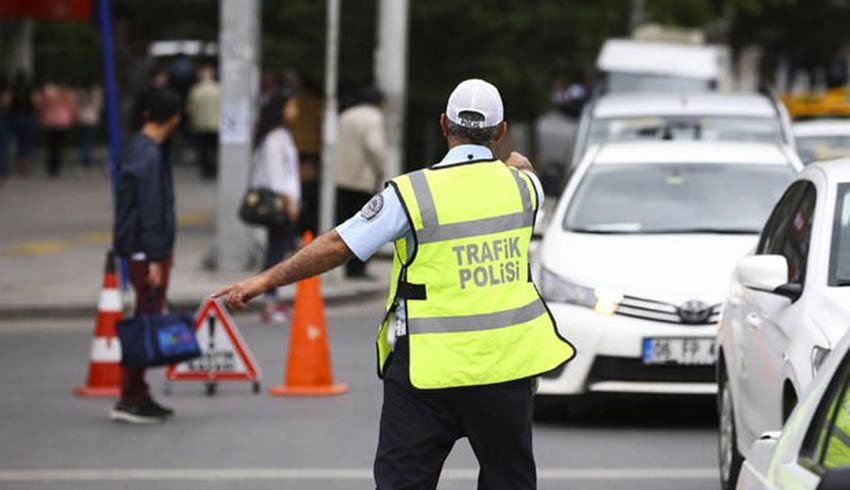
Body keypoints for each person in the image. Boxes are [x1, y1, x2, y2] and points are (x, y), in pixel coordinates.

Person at [215, 79, 576, 489]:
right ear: (501, 130)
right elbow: (525, 171)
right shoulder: (525, 188)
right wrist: (518, 163)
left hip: (427, 372)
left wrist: (263, 281)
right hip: (505, 369)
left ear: (444, 124)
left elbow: (338, 245)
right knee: (509, 480)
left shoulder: (412, 193)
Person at [112, 89, 182, 423]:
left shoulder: (137, 148)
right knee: (144, 321)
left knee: (145, 317)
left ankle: (136, 392)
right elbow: (151, 210)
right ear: (174, 119)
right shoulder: (149, 155)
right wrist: (156, 258)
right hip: (146, 252)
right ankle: (131, 396)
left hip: (140, 250)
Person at [250, 87, 301, 324]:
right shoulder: (274, 138)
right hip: (279, 203)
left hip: (285, 201)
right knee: (276, 251)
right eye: (292, 105)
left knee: (278, 249)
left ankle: (272, 297)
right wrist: (289, 201)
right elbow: (276, 175)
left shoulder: (281, 134)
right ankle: (269, 300)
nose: (296, 110)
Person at [334, 86, 386, 279]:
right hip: (363, 179)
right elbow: (374, 146)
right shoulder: (374, 118)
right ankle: (358, 269)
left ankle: (346, 266)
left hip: (342, 177)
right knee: (365, 226)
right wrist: (380, 170)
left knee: (346, 224)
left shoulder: (346, 116)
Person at [36, 80, 77, 178]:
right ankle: (56, 167)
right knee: (59, 146)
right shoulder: (67, 94)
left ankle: (51, 167)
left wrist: (40, 119)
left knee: (50, 146)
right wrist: (73, 119)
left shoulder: (47, 93)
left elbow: (41, 107)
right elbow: (72, 108)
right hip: (63, 123)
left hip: (49, 122)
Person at [187, 65, 220, 180]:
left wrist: (193, 121)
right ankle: (213, 168)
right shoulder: (218, 89)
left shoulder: (195, 90)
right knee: (214, 148)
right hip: (216, 124)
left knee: (203, 149)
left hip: (200, 124)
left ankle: (206, 169)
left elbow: (191, 109)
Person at [9, 71, 37, 176]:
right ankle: (26, 163)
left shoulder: (13, 88)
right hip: (28, 116)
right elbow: (35, 102)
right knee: (27, 141)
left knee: (19, 140)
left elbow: (8, 102)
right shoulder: (30, 89)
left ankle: (20, 163)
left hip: (16, 116)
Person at [76, 81, 103, 168]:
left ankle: (84, 157)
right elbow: (99, 105)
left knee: (84, 139)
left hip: (83, 119)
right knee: (89, 140)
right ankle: (87, 158)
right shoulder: (96, 93)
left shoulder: (81, 93)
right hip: (92, 119)